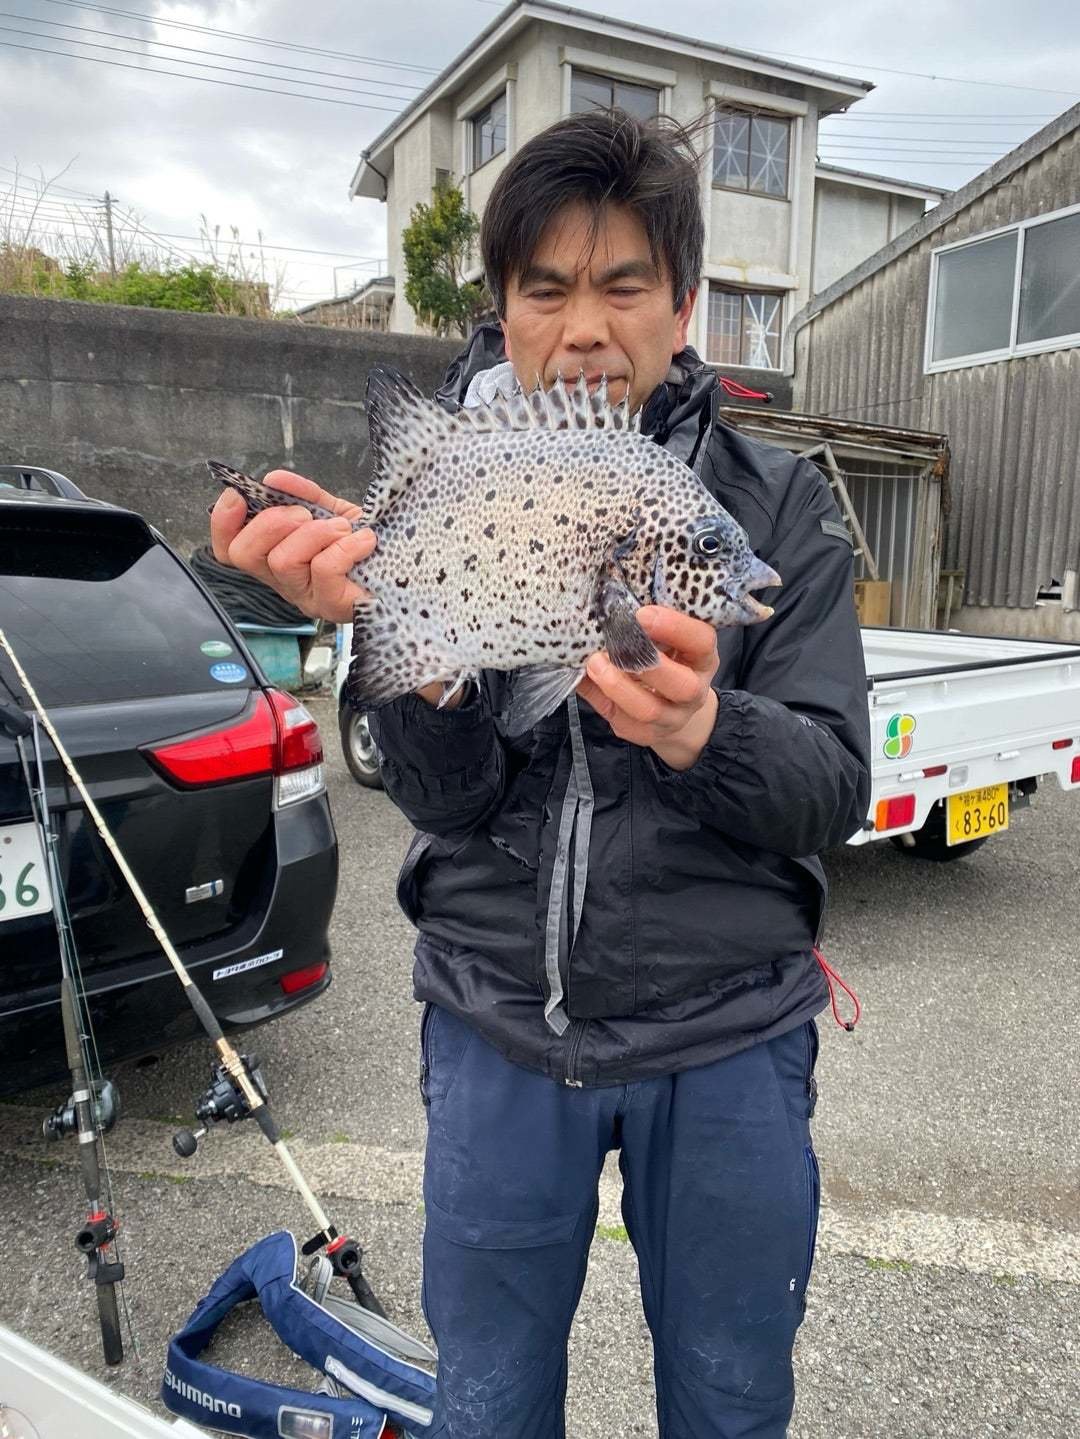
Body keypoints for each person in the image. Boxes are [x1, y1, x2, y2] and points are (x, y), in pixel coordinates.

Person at [211, 110, 871, 1439]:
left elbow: (833, 787)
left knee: (734, 1401)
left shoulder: (780, 506)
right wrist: (415, 654)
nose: (585, 330)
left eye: (624, 286)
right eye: (547, 289)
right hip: (497, 1023)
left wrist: (700, 731)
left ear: (684, 305)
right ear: (503, 312)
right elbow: (445, 801)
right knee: (493, 1405)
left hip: (734, 1036)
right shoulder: (450, 488)